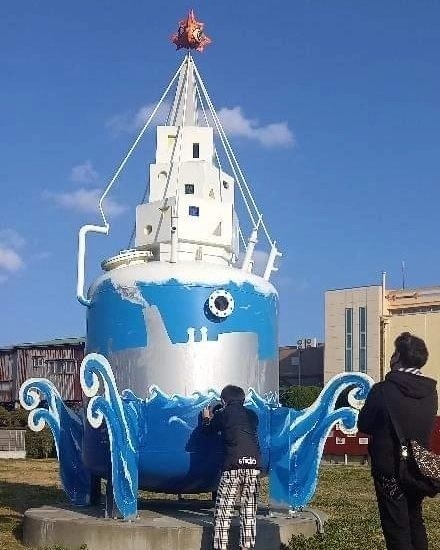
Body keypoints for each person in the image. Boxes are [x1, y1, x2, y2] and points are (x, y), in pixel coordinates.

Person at [357, 332, 437, 550]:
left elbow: (364, 424)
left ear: (399, 356)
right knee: (415, 520)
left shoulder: (382, 390)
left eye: (394, 353)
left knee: (396, 528)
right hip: (417, 468)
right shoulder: (431, 392)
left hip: (390, 470)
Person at [202, 385, 261, 550]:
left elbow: (208, 430)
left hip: (233, 465)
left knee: (224, 510)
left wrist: (207, 418)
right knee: (249, 510)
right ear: (243, 400)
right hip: (254, 464)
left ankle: (221, 546)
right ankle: (246, 546)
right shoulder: (252, 415)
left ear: (223, 401)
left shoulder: (223, 414)